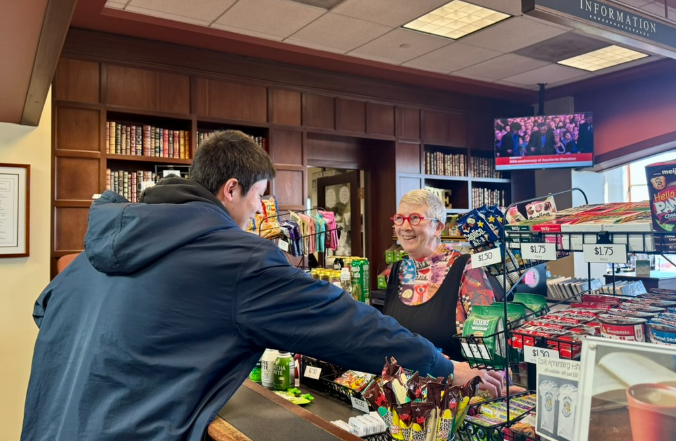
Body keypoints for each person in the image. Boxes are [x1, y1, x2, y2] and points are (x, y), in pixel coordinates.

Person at [21, 130, 503, 441]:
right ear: (231, 189)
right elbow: (344, 323)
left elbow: (46, 313)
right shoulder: (235, 260)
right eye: (258, 198)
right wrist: (444, 367)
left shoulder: (93, 253)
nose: (259, 213)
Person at [383, 190, 500, 368]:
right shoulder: (398, 271)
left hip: (453, 392)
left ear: (438, 227)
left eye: (415, 218)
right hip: (401, 391)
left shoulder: (466, 268)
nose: (405, 227)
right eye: (400, 218)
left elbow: (487, 344)